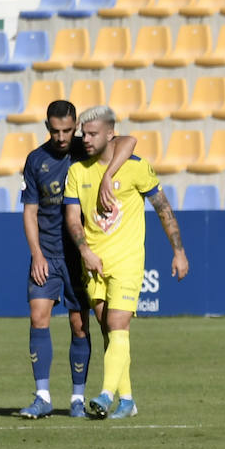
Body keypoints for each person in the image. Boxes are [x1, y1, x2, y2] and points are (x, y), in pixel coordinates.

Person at [64, 106, 188, 419]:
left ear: (110, 134)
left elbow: (163, 208)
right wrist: (85, 252)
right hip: (93, 263)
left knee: (118, 325)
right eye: (84, 134)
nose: (86, 140)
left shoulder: (136, 168)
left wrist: (179, 250)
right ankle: (128, 400)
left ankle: (105, 395)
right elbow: (73, 220)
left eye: (92, 134)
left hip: (128, 262)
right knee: (110, 332)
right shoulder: (78, 171)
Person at [18, 100, 134, 420]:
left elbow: (127, 141)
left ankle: (77, 398)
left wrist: (109, 173)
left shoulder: (87, 148)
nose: (61, 137)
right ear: (47, 128)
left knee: (79, 325)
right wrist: (37, 254)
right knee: (38, 315)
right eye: (55, 131)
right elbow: (30, 212)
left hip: (79, 255)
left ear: (76, 127)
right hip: (48, 253)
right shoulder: (36, 160)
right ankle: (42, 396)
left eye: (68, 130)